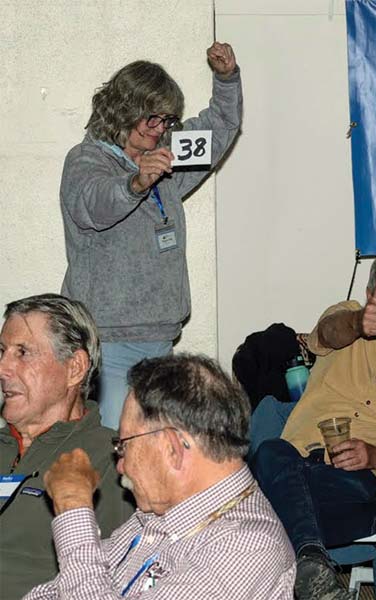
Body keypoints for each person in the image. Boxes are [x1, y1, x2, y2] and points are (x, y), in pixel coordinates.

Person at [60, 42, 242, 428]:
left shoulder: (165, 153)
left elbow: (220, 128)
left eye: (167, 121)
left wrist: (227, 79)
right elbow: (94, 205)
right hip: (105, 344)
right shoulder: (85, 160)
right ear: (124, 111)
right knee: (108, 455)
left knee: (148, 455)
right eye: (152, 119)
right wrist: (136, 182)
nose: (160, 129)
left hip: (161, 340)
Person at [250, 249, 376, 600]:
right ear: (372, 295)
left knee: (257, 524)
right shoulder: (344, 320)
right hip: (296, 463)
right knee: (271, 452)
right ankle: (314, 569)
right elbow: (327, 333)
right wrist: (359, 323)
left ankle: (309, 569)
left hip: (362, 488)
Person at [24, 354, 295, 599]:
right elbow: (60, 589)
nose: (120, 466)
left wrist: (73, 507)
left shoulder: (246, 548)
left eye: (124, 446)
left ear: (172, 449)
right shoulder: (159, 515)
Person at [0, 294, 132, 599]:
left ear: (74, 368)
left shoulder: (113, 459)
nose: (3, 368)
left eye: (22, 353)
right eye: (2, 351)